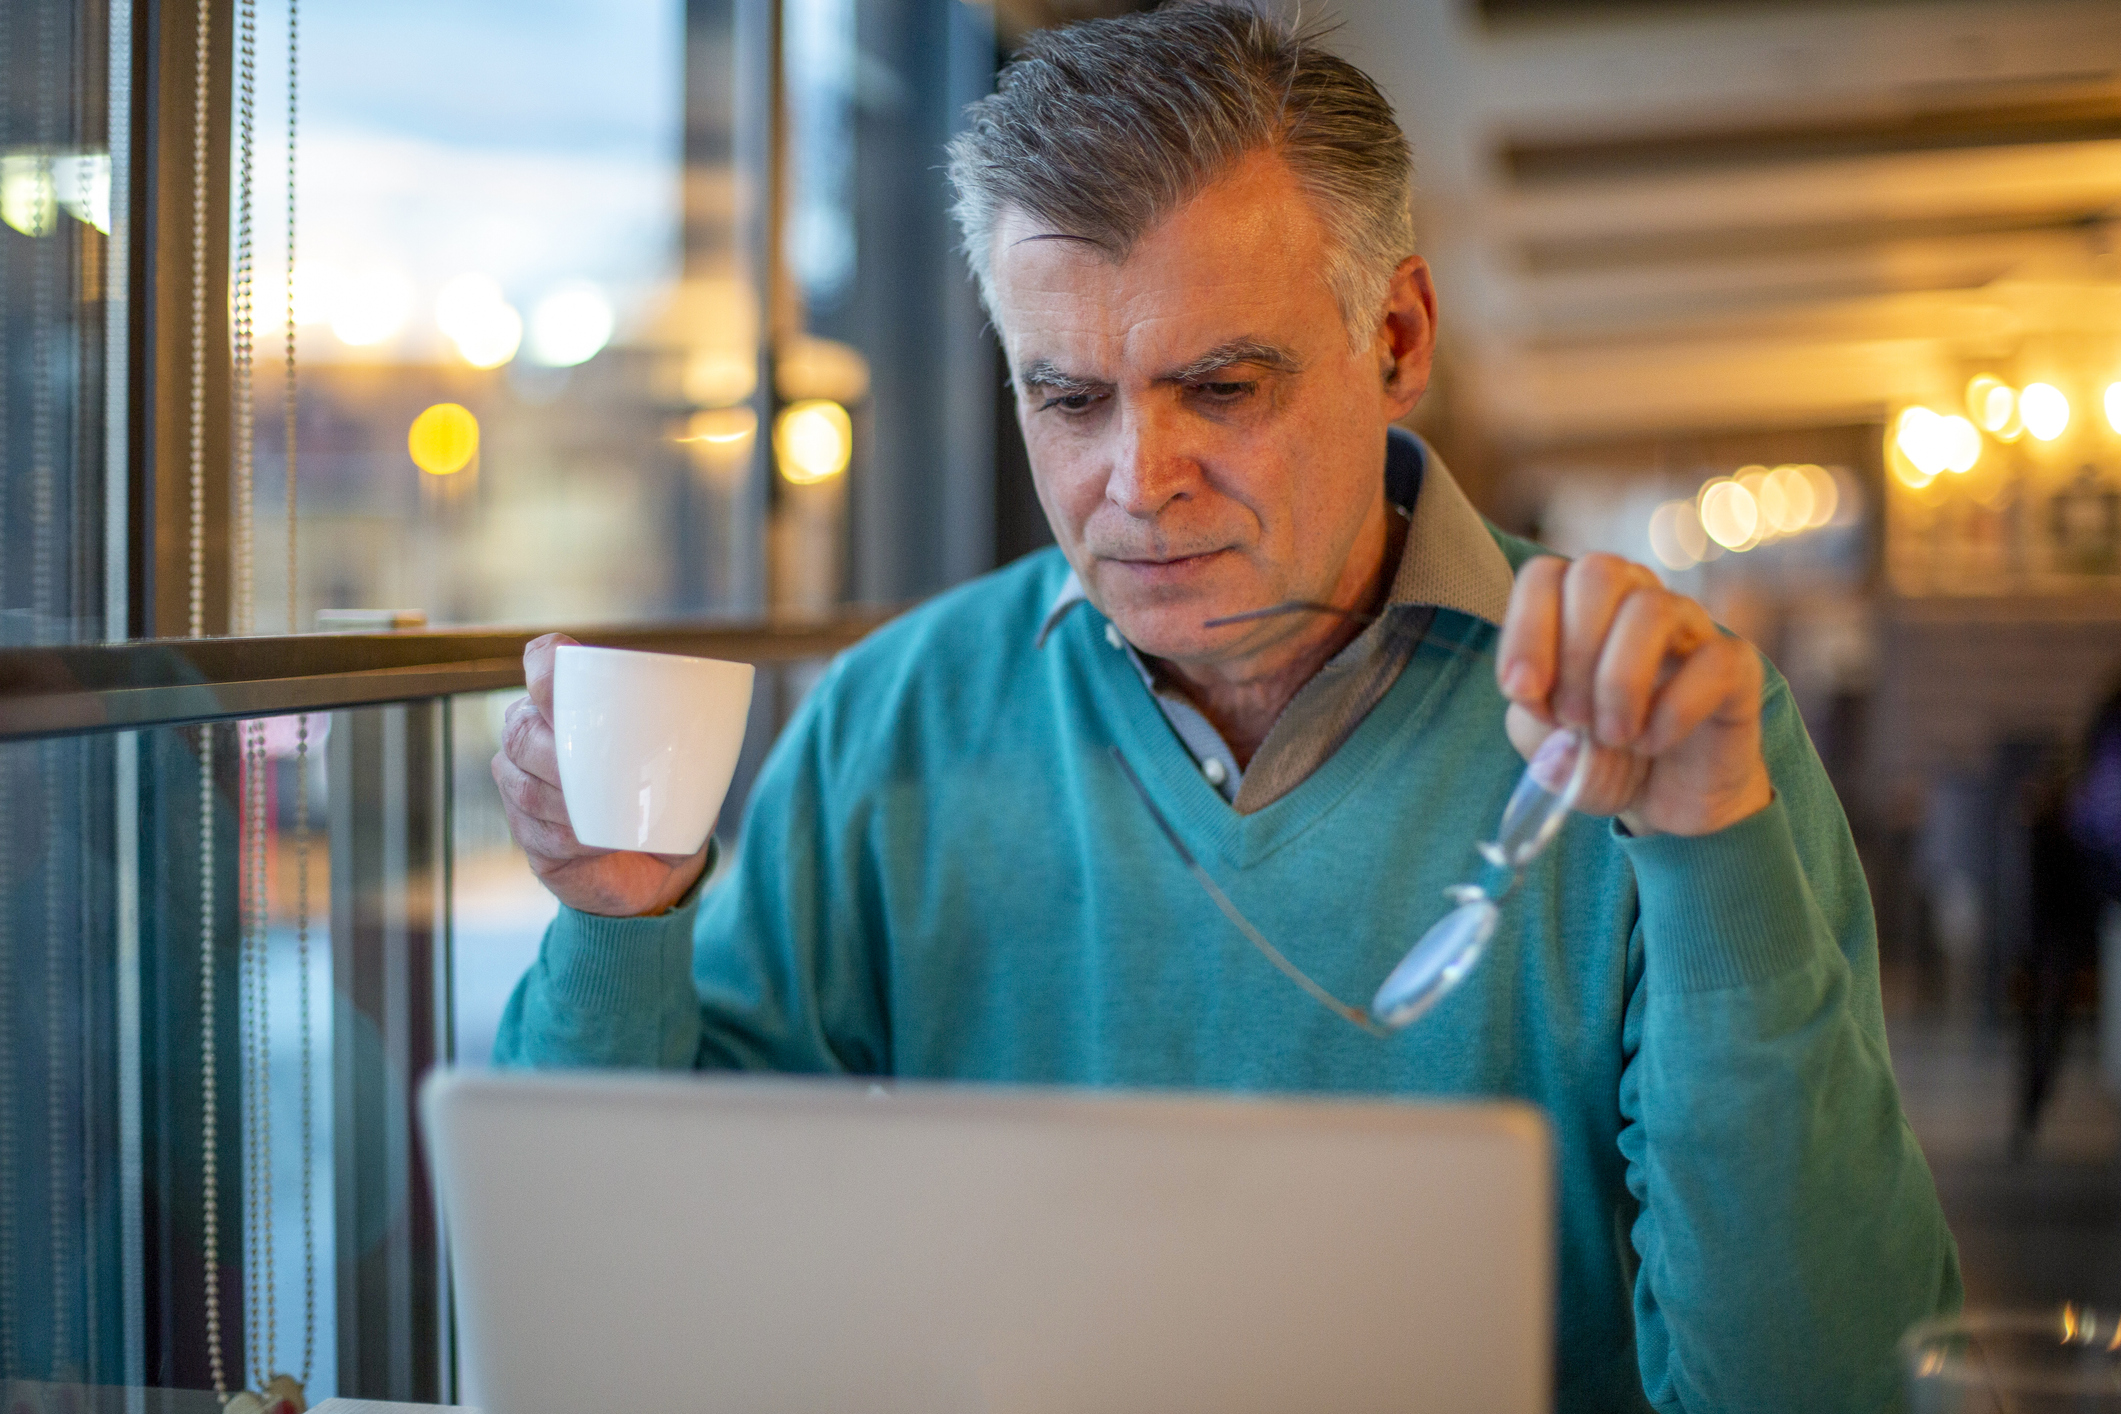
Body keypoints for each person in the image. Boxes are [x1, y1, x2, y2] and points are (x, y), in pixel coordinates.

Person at [490, 8, 1960, 1410]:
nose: (1137, 482)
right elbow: (633, 1293)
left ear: (1397, 338)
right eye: (1068, 399)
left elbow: (1823, 1385)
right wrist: (621, 925)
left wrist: (1707, 847)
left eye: (1222, 386)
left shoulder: (1670, 735)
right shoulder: (899, 715)